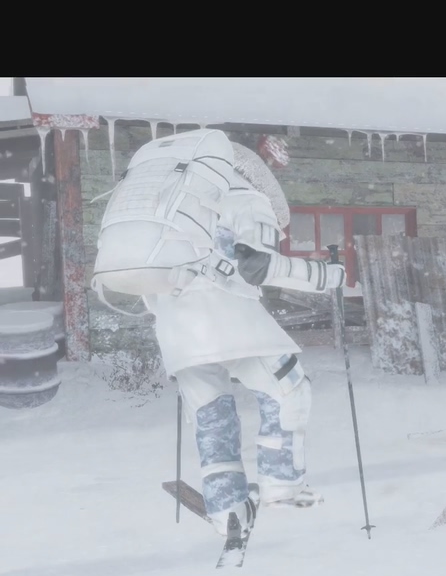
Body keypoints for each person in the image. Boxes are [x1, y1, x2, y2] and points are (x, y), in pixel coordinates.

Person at [144, 133, 345, 540]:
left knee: (211, 415)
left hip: (176, 330)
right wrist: (327, 276)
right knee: (289, 390)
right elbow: (258, 266)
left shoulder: (166, 207)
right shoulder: (245, 196)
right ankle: (283, 486)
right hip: (230, 321)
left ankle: (226, 507)